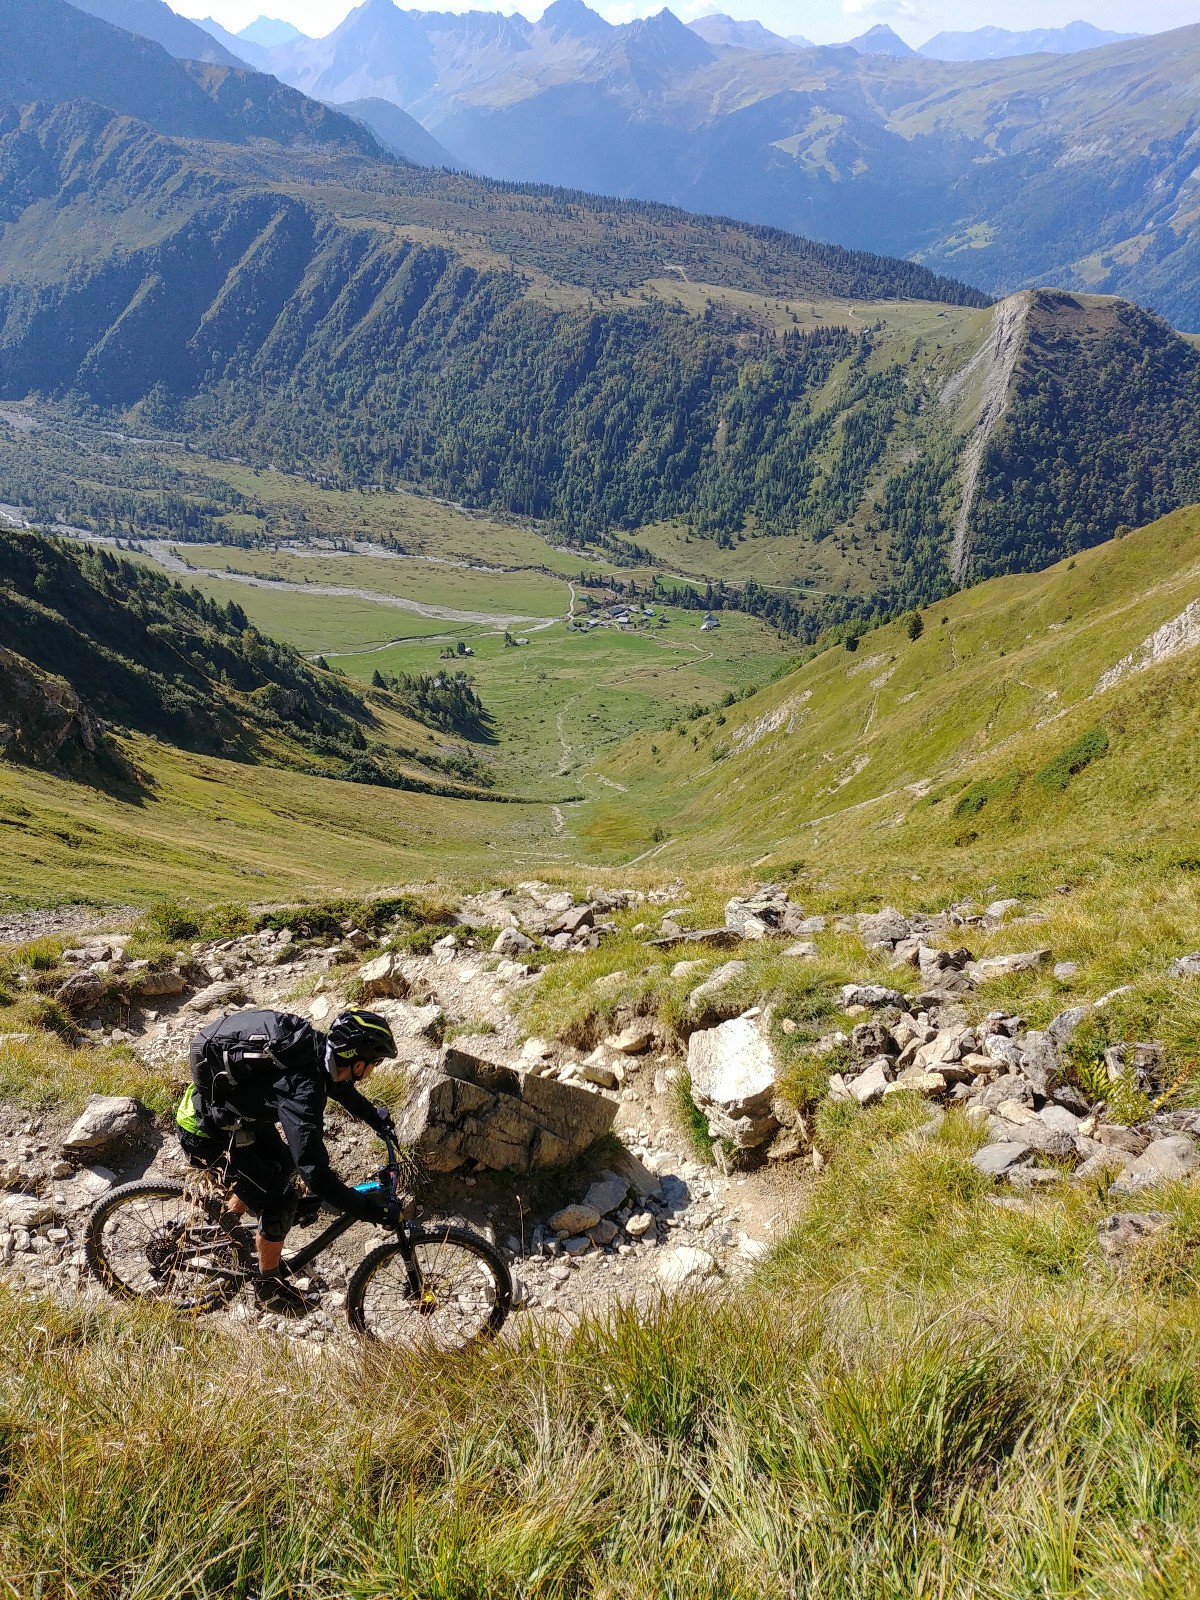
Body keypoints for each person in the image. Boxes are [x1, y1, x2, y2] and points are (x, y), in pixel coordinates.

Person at [174, 1005, 400, 1314]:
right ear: (357, 1061)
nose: (373, 1070)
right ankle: (268, 1286)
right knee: (279, 1201)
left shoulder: (316, 1050)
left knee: (283, 1168)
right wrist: (368, 1210)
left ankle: (226, 1228)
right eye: (374, 1063)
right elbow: (317, 1176)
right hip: (206, 1132)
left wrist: (377, 1119)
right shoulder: (303, 1091)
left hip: (236, 1118)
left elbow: (340, 1089)